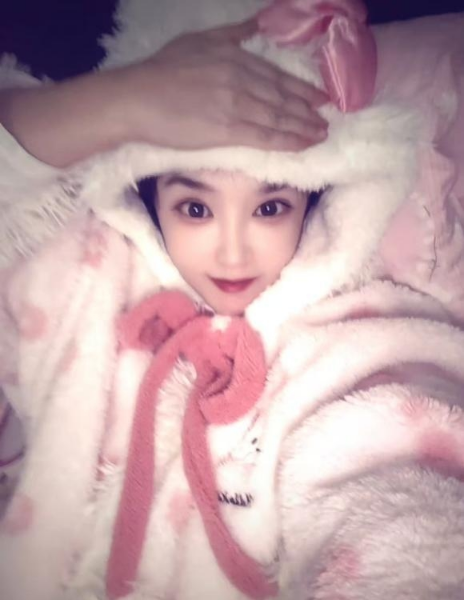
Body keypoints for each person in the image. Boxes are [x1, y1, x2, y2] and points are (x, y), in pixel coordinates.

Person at [1, 1, 464, 599]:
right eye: (196, 207)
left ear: (313, 201)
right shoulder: (80, 277)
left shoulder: (355, 340)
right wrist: (125, 102)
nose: (233, 253)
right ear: (146, 198)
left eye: (270, 207)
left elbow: (404, 507)